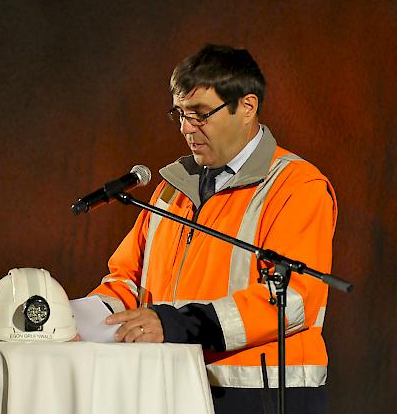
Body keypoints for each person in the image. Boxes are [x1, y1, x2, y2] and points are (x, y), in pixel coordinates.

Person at [89, 44, 337, 413]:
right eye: (179, 114)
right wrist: (78, 317)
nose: (186, 128)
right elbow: (127, 278)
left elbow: (292, 299)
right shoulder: (171, 188)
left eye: (200, 114)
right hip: (171, 386)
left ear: (247, 107)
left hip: (260, 396)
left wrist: (176, 325)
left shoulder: (296, 186)